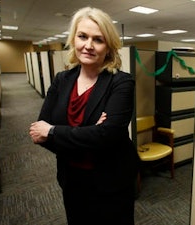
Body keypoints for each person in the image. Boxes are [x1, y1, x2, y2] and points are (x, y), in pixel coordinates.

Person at [29, 6, 138, 225]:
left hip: (111, 181)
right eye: (82, 36)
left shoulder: (121, 82)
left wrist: (54, 132)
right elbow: (38, 134)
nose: (88, 45)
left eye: (98, 39)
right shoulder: (62, 80)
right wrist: (89, 133)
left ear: (108, 47)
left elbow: (107, 136)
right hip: (72, 179)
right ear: (73, 39)